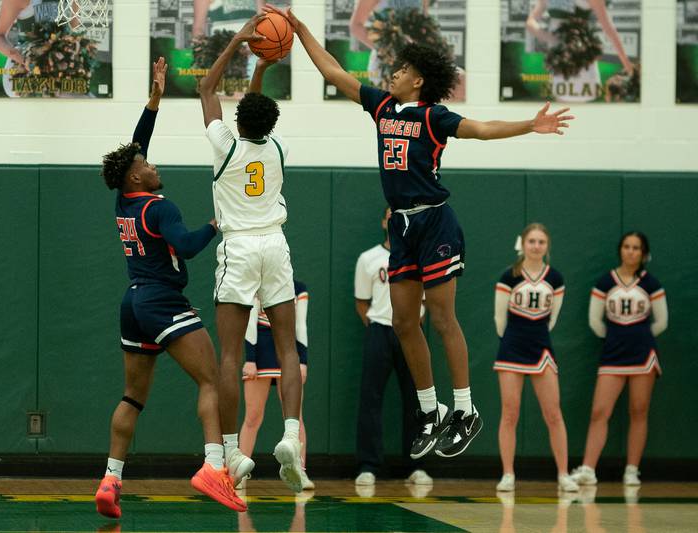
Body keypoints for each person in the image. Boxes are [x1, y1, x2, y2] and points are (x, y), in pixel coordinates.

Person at [266, 2, 574, 460]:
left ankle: (465, 410)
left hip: (435, 220)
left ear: (420, 81)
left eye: (404, 68)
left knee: (443, 317)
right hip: (403, 226)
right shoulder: (382, 106)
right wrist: (303, 29)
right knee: (405, 322)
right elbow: (333, 72)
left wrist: (531, 124)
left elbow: (484, 130)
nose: (394, 71)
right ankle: (430, 410)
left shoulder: (435, 117)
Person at [94, 57, 246, 518]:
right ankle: (212, 465)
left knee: (132, 397)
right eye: (146, 163)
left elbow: (134, 147)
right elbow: (187, 246)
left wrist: (155, 98)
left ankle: (111, 479)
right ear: (137, 176)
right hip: (163, 300)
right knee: (211, 379)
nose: (151, 162)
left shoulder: (125, 198)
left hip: (133, 303)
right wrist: (214, 226)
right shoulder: (160, 206)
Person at [198, 16, 304, 492]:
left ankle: (231, 451)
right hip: (275, 247)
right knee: (286, 350)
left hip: (238, 247)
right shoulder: (276, 149)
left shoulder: (225, 147)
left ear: (238, 120)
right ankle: (289, 436)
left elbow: (206, 88)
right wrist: (263, 64)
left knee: (230, 354)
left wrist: (239, 41)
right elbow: (255, 108)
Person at [571, 231, 668, 486]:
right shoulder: (605, 282)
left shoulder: (651, 284)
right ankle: (589, 469)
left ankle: (632, 470)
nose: (631, 251)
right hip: (613, 355)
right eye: (627, 246)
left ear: (643, 253)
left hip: (643, 356)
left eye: (636, 247)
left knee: (639, 411)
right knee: (599, 411)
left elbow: (661, 322)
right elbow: (594, 321)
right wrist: (615, 337)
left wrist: (639, 338)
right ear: (620, 250)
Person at [493, 224, 577, 492]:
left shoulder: (556, 279)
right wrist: (512, 340)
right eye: (532, 241)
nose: (536, 246)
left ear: (547, 246)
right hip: (511, 349)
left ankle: (564, 475)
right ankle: (508, 474)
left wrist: (534, 336)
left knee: (553, 413)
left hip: (541, 348)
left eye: (541, 241)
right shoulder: (509, 276)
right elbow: (499, 319)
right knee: (510, 413)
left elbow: (552, 319)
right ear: (523, 244)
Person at [354, 206, 432, 487]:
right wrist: (379, 325)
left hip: (412, 334)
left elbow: (427, 301)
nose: (394, 220)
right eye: (390, 216)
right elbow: (361, 302)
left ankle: (416, 464)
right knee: (370, 398)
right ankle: (368, 465)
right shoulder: (369, 259)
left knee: (417, 399)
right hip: (379, 331)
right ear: (384, 221)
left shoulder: (419, 257)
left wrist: (411, 326)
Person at [239, 280, 314, 490]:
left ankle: (300, 472)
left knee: (295, 417)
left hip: (289, 354)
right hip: (260, 354)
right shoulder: (255, 285)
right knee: (253, 416)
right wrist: (250, 359)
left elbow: (300, 325)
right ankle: (240, 472)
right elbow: (250, 322)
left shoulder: (299, 289)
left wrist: (303, 361)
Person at [526, 0, 635, 103]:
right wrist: (547, 37)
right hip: (558, 59)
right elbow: (531, 21)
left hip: (581, 58)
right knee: (561, 106)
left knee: (577, 105)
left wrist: (626, 64)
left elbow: (608, 28)